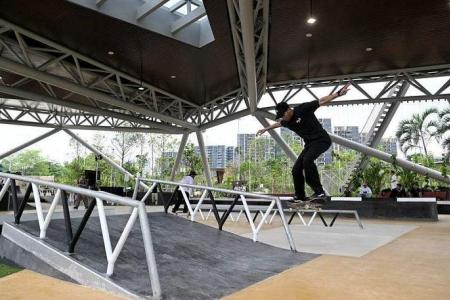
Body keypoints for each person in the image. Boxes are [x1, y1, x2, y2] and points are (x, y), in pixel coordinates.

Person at [257, 83, 350, 206]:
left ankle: (319, 192)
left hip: (322, 140)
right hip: (310, 144)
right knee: (296, 169)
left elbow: (321, 101)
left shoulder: (303, 109)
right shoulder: (286, 121)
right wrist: (266, 129)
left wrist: (337, 94)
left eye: (283, 115)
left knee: (307, 160)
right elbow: (278, 123)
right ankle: (300, 196)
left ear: (289, 110)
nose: (283, 119)